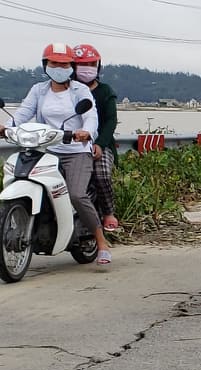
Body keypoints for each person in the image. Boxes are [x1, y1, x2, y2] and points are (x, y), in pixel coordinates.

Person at [0, 43, 110, 265]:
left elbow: (90, 117)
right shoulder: (38, 90)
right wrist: (6, 126)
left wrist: (86, 133)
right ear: (45, 65)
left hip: (75, 151)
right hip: (45, 149)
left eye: (64, 63)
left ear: (71, 66)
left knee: (77, 194)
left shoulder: (80, 91)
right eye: (54, 63)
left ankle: (101, 243)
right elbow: (22, 113)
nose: (59, 67)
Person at [73, 43, 119, 233]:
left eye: (92, 64)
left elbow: (110, 122)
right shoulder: (68, 90)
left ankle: (108, 212)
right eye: (83, 64)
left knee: (101, 174)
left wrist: (100, 144)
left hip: (100, 143)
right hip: (70, 143)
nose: (87, 68)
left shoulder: (105, 91)